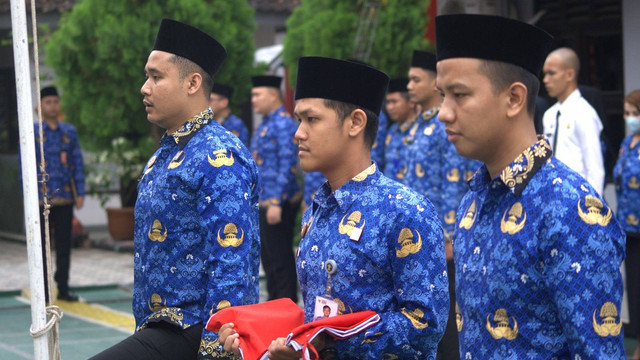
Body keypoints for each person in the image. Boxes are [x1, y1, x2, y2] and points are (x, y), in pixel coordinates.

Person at [219, 56, 450, 359]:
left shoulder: (404, 211)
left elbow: (425, 325)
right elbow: (319, 311)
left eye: (311, 119)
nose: (298, 133)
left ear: (355, 122)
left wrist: (329, 341)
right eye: (299, 119)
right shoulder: (318, 207)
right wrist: (258, 333)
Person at [435, 14, 626, 358]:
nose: (443, 113)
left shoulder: (570, 210)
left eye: (459, 95)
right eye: (442, 95)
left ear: (514, 99)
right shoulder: (474, 201)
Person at [90, 19, 260, 360]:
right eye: (147, 76)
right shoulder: (164, 154)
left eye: (156, 76)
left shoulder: (219, 155)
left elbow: (231, 260)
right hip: (155, 328)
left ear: (193, 83)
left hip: (190, 331)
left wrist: (215, 350)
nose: (144, 87)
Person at [407, 50, 469, 360]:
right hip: (417, 234)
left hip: (439, 236)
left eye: (416, 79)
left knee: (448, 314)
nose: (409, 85)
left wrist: (448, 233)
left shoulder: (446, 126)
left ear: (435, 84)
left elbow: (454, 180)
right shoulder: (418, 125)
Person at [250, 75, 301, 303]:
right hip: (264, 200)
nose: (253, 100)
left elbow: (287, 164)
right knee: (269, 260)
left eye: (257, 94)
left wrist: (276, 202)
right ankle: (273, 305)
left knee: (280, 261)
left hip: (277, 203)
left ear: (273, 95)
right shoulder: (268, 123)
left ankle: (285, 307)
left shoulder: (283, 123)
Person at [34, 85, 85, 302]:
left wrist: (80, 192)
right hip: (40, 198)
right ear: (39, 106)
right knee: (42, 246)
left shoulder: (68, 132)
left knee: (64, 245)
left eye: (55, 101)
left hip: (64, 196)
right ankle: (43, 290)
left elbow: (77, 162)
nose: (52, 106)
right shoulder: (33, 132)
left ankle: (62, 287)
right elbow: (23, 166)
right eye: (48, 102)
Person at [542, 47, 605, 195]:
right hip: (552, 195)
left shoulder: (584, 112)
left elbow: (595, 169)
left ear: (570, 74)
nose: (545, 80)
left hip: (577, 197)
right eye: (545, 74)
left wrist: (592, 209)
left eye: (551, 73)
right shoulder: (549, 114)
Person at [614, 89, 640, 360]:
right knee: (633, 288)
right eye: (627, 113)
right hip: (629, 229)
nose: (631, 118)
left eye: (636, 113)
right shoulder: (626, 143)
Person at [383, 77, 417, 181]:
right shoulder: (392, 130)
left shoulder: (419, 130)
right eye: (388, 102)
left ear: (410, 102)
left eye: (394, 102)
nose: (390, 107)